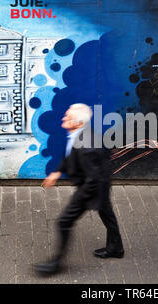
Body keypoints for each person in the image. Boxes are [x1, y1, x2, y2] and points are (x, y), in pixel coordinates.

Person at [33, 103, 124, 274]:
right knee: (107, 214)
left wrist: (80, 199)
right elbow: (70, 156)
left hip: (93, 187)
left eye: (68, 117)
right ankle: (116, 248)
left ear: (78, 123)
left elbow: (93, 179)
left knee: (64, 221)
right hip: (100, 183)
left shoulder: (87, 146)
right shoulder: (80, 135)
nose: (63, 118)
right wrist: (58, 172)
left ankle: (56, 264)